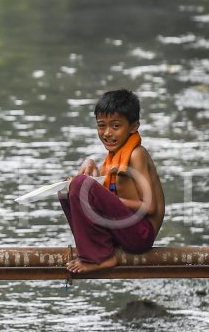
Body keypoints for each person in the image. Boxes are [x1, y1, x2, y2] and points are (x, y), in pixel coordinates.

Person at [58, 89, 164, 274]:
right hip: (123, 230)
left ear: (133, 127)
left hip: (141, 235)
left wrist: (105, 198)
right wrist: (89, 163)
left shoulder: (137, 154)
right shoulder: (113, 157)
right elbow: (101, 186)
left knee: (81, 184)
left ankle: (101, 258)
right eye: (101, 126)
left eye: (115, 126)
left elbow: (150, 207)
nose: (107, 133)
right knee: (67, 190)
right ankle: (98, 248)